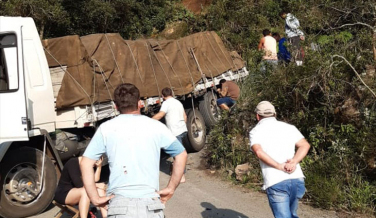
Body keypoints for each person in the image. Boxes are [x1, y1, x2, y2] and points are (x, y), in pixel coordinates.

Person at [80, 83, 187, 218]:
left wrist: (94, 198)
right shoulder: (156, 126)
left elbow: (85, 163)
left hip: (119, 206)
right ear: (140, 103)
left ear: (115, 106)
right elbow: (181, 154)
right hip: (150, 205)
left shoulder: (105, 128)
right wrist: (170, 188)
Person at [249, 101, 310, 218]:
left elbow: (258, 152)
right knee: (292, 214)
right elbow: (304, 145)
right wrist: (294, 162)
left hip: (276, 181)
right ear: (275, 114)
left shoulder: (255, 131)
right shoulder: (289, 127)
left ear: (257, 116)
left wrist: (279, 166)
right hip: (297, 178)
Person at [152, 87, 188, 183]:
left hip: (175, 131)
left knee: (177, 155)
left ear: (163, 96)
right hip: (182, 130)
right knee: (180, 151)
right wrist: (182, 125)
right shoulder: (178, 102)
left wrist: (149, 121)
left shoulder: (166, 103)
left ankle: (181, 176)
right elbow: (185, 116)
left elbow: (160, 115)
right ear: (171, 94)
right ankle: (180, 173)